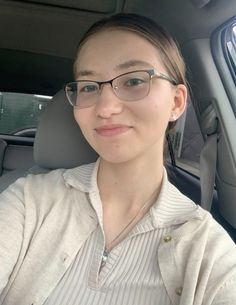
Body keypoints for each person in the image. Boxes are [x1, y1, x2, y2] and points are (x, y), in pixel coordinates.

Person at [0, 13, 236, 305]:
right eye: (88, 86)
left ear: (176, 102)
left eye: (134, 80)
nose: (106, 107)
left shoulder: (208, 252)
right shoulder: (29, 200)